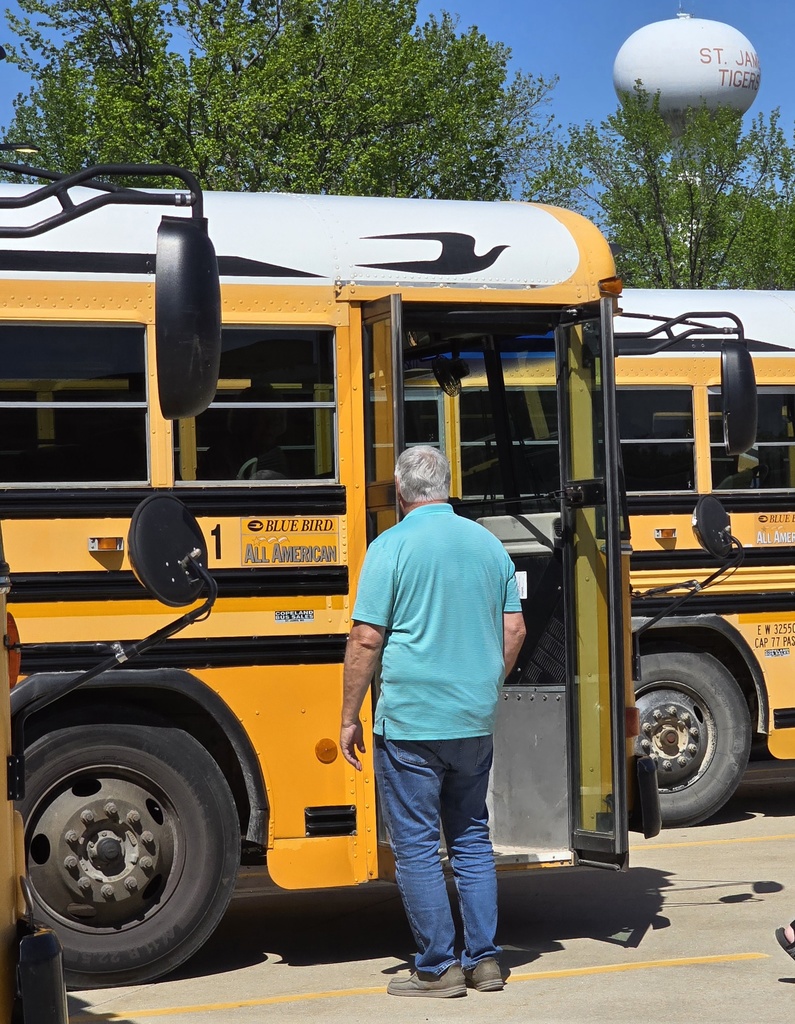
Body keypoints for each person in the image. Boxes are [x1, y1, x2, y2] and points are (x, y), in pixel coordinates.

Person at [340, 445, 526, 999]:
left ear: (400, 493)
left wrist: (349, 716)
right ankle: (486, 961)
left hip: (411, 723)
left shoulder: (390, 546)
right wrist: (486, 685)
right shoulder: (488, 543)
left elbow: (366, 639)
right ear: (447, 487)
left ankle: (438, 967)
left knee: (418, 846)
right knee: (470, 836)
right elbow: (514, 630)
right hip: (472, 719)